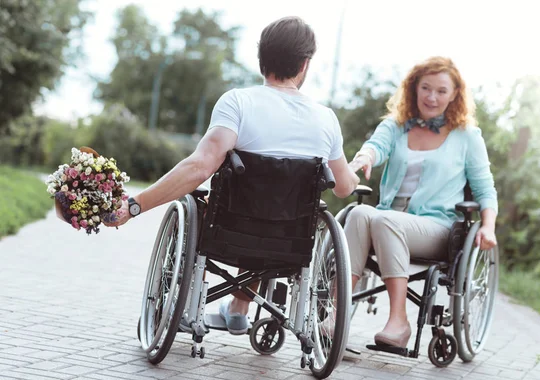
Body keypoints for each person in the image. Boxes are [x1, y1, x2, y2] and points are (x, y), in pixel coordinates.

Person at [104, 16, 360, 335]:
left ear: (261, 60)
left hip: (228, 233)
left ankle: (190, 305)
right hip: (290, 241)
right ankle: (239, 309)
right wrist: (358, 173)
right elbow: (344, 188)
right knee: (275, 211)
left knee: (206, 203)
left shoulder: (239, 102)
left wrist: (135, 205)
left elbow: (199, 167)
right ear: (305, 64)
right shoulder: (326, 119)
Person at [345, 56, 498, 348]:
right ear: (414, 89)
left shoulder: (467, 137)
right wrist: (364, 158)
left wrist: (488, 226)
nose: (432, 97)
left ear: (455, 95)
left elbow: (485, 189)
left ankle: (399, 322)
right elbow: (376, 146)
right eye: (426, 88)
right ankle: (336, 314)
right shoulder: (397, 126)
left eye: (441, 90)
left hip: (436, 228)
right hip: (387, 219)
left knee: (383, 219)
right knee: (359, 213)